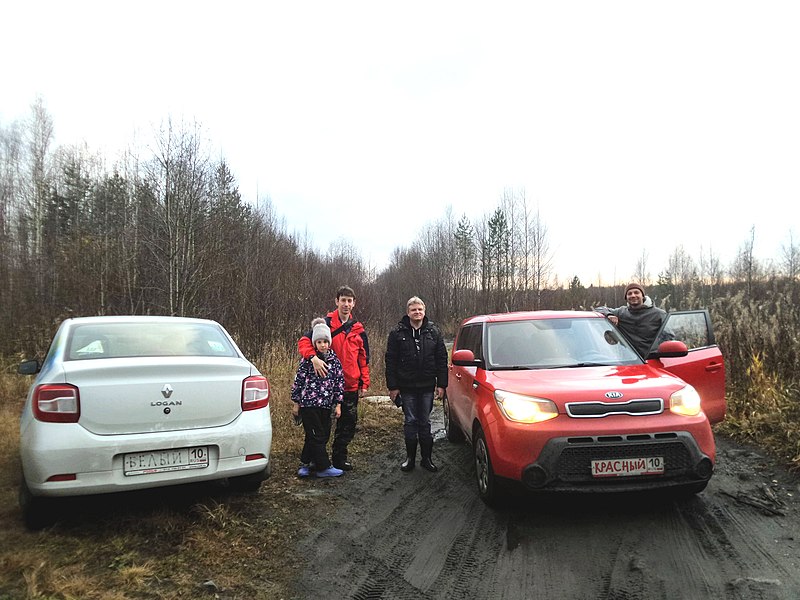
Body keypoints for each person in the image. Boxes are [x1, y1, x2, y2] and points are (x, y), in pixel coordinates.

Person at [298, 285, 370, 471]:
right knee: (322, 427)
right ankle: (316, 459)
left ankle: (339, 457)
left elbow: (364, 359)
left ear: (354, 304)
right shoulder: (325, 325)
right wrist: (312, 358)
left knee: (347, 425)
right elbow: (304, 342)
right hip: (325, 387)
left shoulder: (358, 329)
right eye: (343, 300)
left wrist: (364, 382)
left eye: (349, 301)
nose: (346, 304)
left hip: (351, 385)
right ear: (336, 301)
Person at [385, 296, 448, 473]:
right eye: (414, 310)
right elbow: (390, 360)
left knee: (425, 422)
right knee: (411, 421)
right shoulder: (397, 333)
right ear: (408, 312)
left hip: (428, 386)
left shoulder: (433, 331)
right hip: (406, 387)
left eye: (420, 309)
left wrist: (441, 384)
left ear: (424, 311)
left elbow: (442, 358)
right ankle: (410, 459)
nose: (417, 312)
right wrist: (393, 387)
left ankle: (426, 459)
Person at [291, 318, 345, 478]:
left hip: (326, 404)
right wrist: (296, 402)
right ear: (314, 343)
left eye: (325, 341)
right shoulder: (307, 361)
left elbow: (339, 382)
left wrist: (338, 404)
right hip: (308, 404)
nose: (322, 345)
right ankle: (324, 467)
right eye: (319, 341)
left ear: (329, 342)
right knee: (315, 434)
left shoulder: (334, 361)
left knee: (322, 434)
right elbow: (298, 380)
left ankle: (307, 463)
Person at [595, 282, 666, 357]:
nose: (633, 295)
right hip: (628, 361)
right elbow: (599, 309)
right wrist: (609, 315)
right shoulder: (621, 312)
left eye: (636, 292)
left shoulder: (659, 314)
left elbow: (669, 337)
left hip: (652, 360)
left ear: (643, 295)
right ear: (626, 297)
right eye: (629, 294)